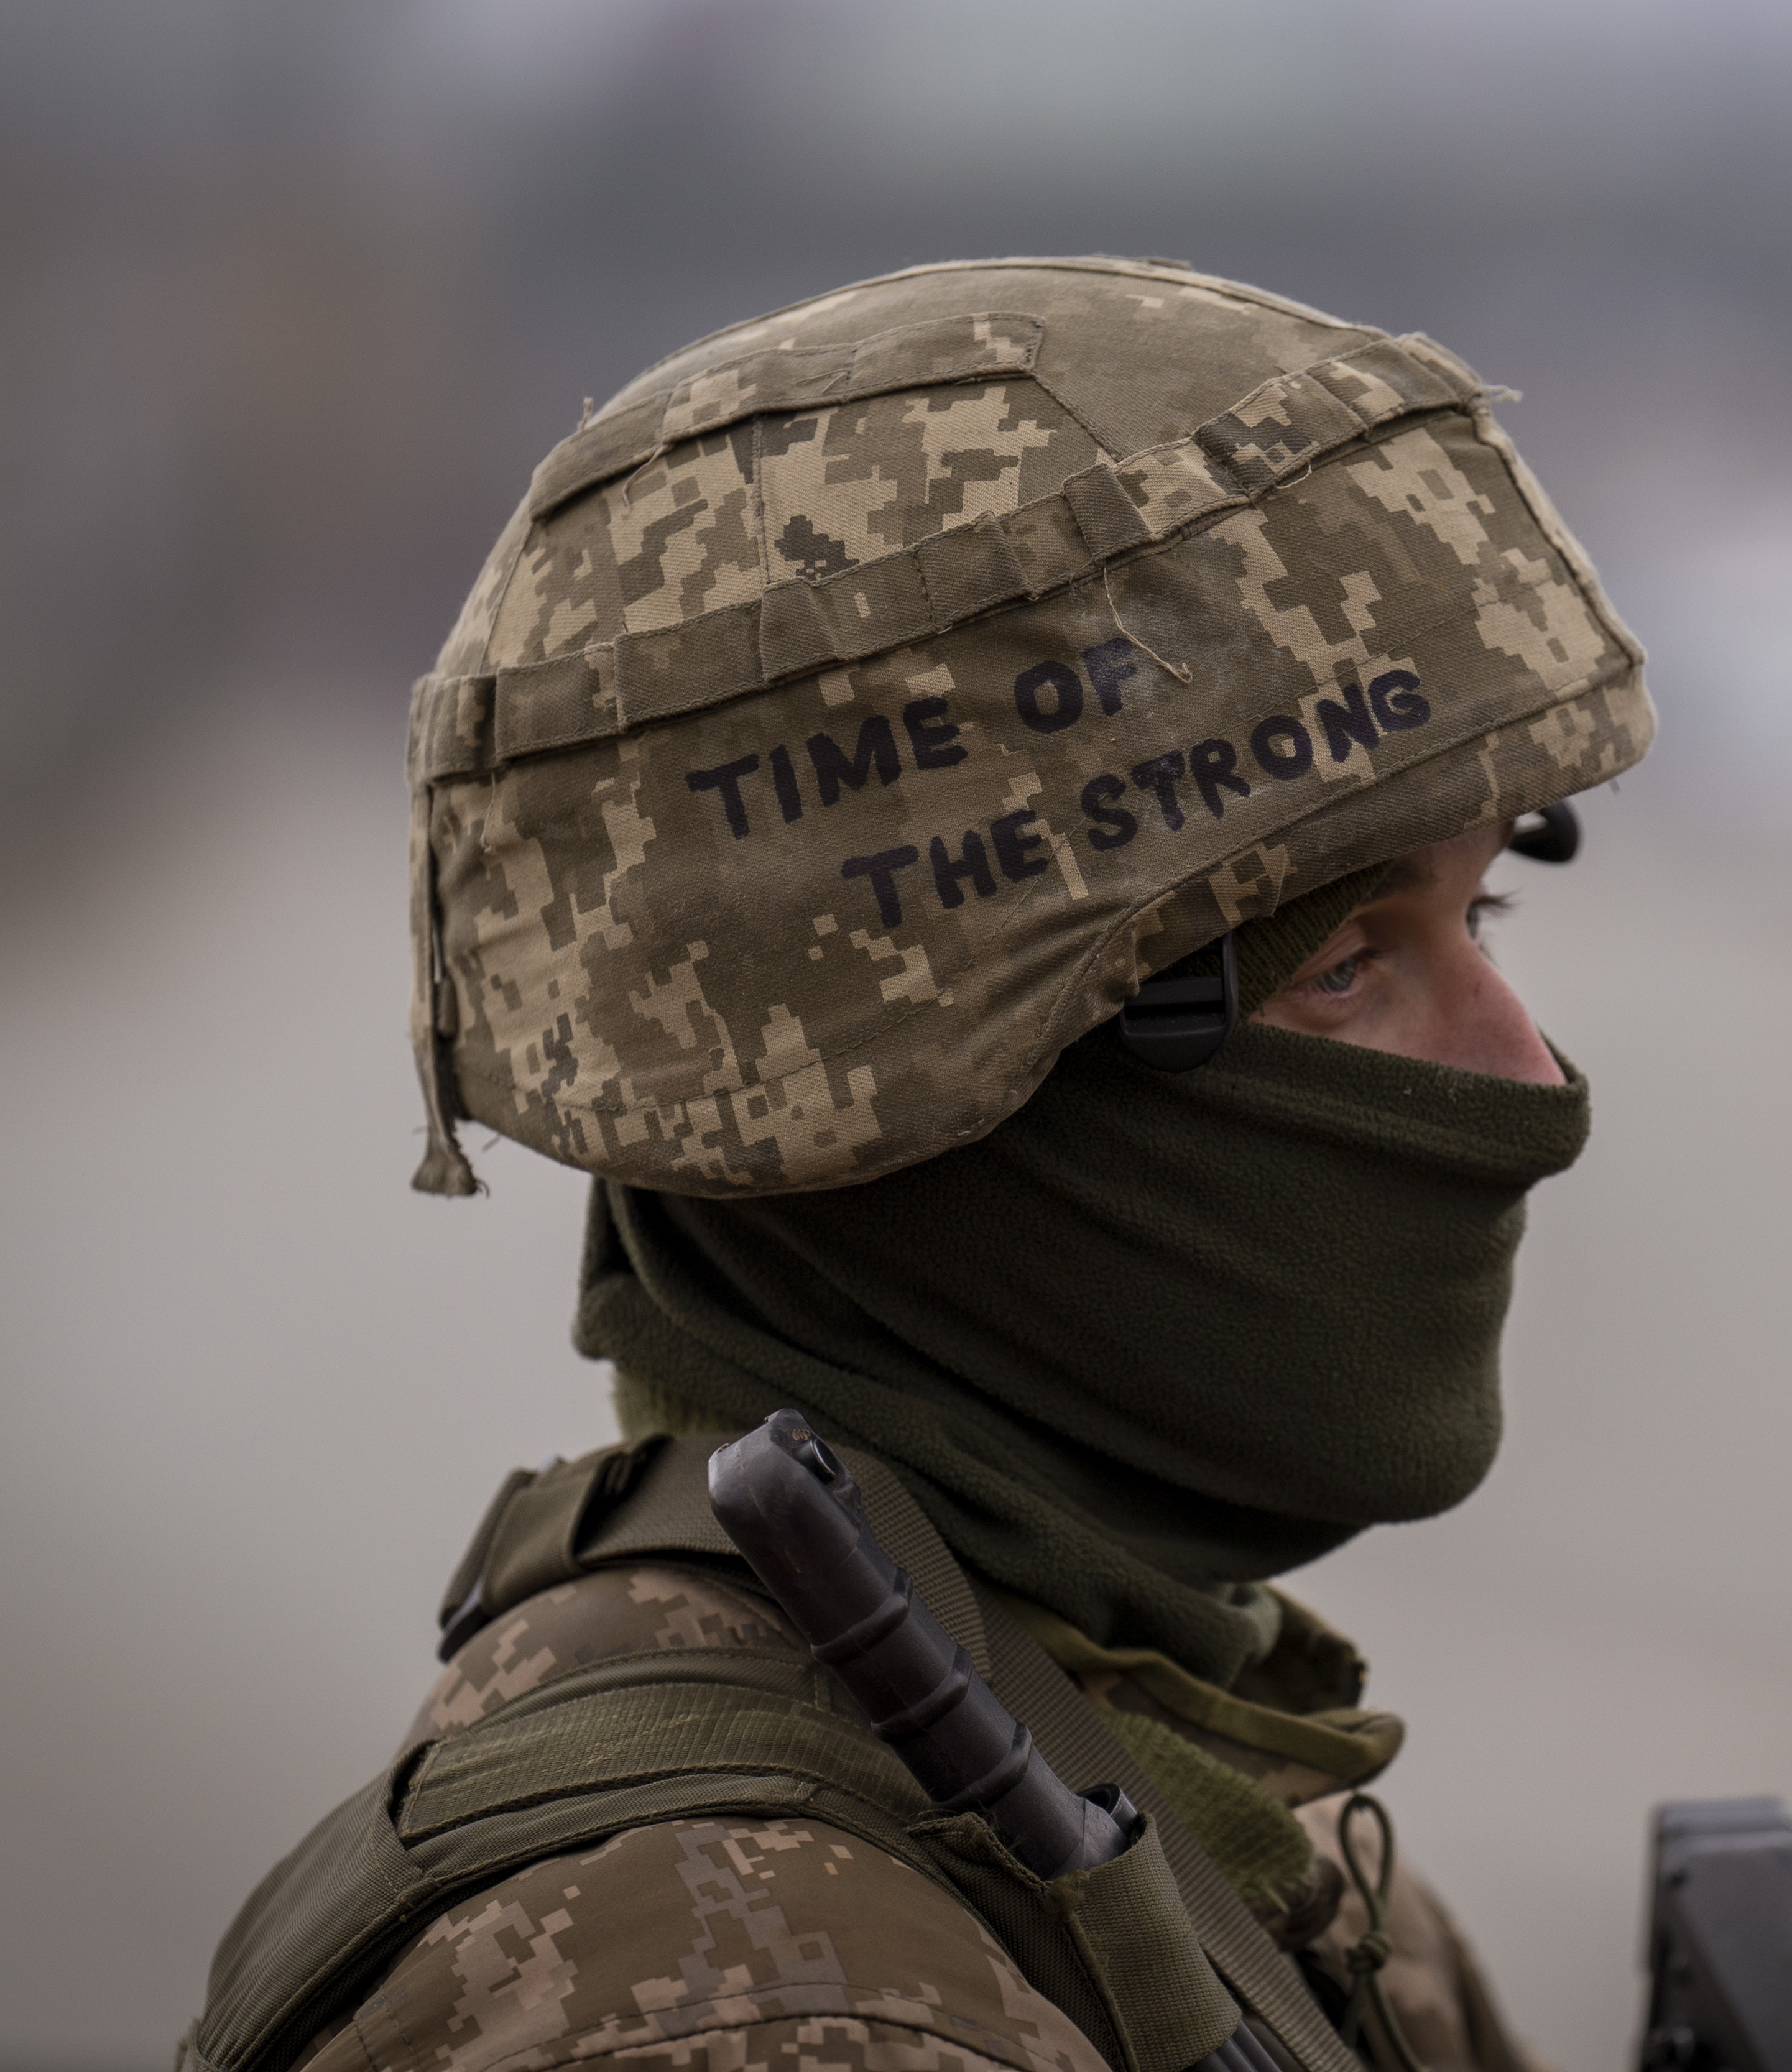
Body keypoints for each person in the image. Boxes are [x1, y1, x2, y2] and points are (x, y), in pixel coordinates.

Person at [184, 257, 1652, 2072]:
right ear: (925, 1100)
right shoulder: (766, 2000)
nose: (1527, 1072)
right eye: (1347, 967)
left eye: (1485, 907)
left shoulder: (1132, 1778)